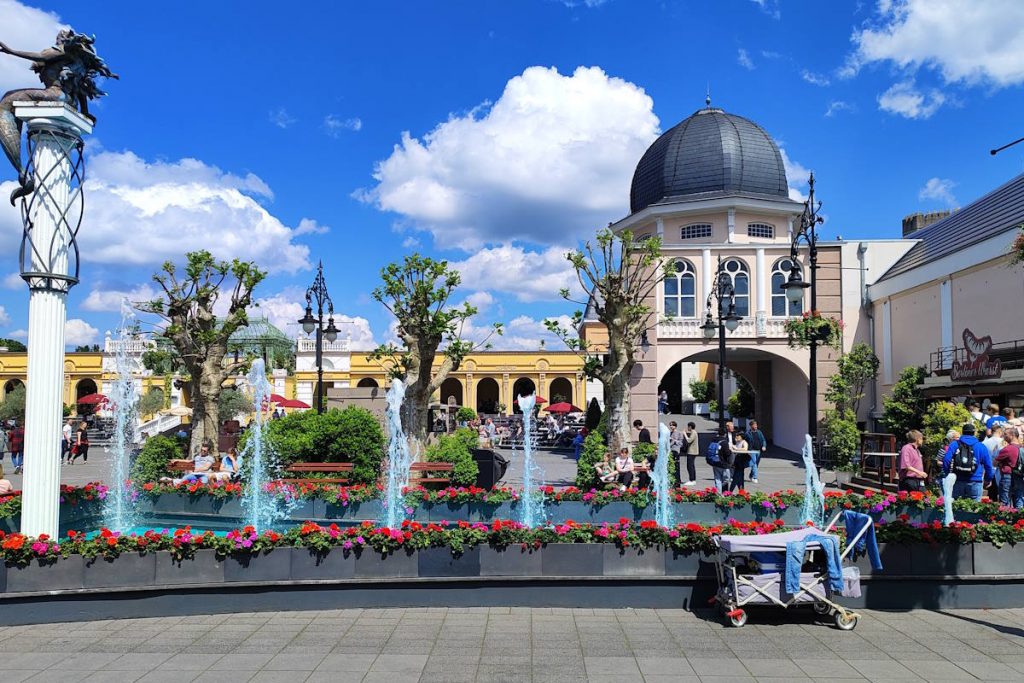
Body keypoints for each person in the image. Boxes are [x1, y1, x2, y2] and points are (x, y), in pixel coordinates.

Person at [942, 423, 995, 501]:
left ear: (962, 432)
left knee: (957, 508)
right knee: (975, 509)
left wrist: (949, 474)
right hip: (975, 480)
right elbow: (989, 466)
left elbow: (946, 460)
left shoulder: (954, 444)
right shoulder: (980, 446)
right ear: (974, 433)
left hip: (958, 480)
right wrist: (988, 479)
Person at [996, 428, 1024, 508]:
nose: (1003, 436)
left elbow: (995, 463)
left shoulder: (1007, 449)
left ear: (1012, 436)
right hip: (1019, 476)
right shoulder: (1022, 448)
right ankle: (1020, 518)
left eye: (1005, 434)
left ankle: (1004, 519)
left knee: (1005, 501)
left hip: (1007, 476)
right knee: (1019, 498)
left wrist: (1001, 464)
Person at [744, 419, 766, 485]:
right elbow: (744, 441)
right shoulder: (747, 433)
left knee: (756, 464)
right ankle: (755, 477)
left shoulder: (759, 432)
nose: (756, 426)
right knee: (754, 463)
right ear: (751, 426)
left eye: (756, 425)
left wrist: (764, 446)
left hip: (758, 451)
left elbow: (763, 440)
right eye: (754, 425)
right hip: (752, 450)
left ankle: (751, 475)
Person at [681, 422, 699, 486]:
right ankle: (693, 479)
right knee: (691, 466)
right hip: (691, 452)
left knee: (690, 466)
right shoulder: (693, 432)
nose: (687, 428)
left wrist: (685, 434)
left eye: (688, 426)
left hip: (692, 452)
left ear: (690, 427)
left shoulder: (694, 432)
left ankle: (692, 480)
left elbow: (689, 440)